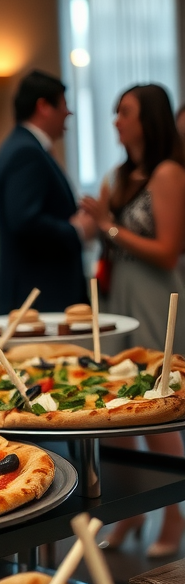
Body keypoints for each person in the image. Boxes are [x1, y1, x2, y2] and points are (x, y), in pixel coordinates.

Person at [81, 84, 185, 558]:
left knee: (156, 407)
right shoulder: (120, 176)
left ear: (148, 120)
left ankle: (174, 515)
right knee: (118, 409)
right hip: (118, 296)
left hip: (154, 297)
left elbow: (167, 251)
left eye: (125, 112)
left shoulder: (169, 173)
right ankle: (130, 512)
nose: (116, 121)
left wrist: (109, 225)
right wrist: (94, 223)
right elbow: (107, 237)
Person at [0, 69, 93, 313]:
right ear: (44, 107)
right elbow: (24, 220)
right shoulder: (26, 152)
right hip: (40, 294)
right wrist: (76, 230)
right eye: (63, 105)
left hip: (38, 291)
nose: (68, 112)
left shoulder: (23, 145)